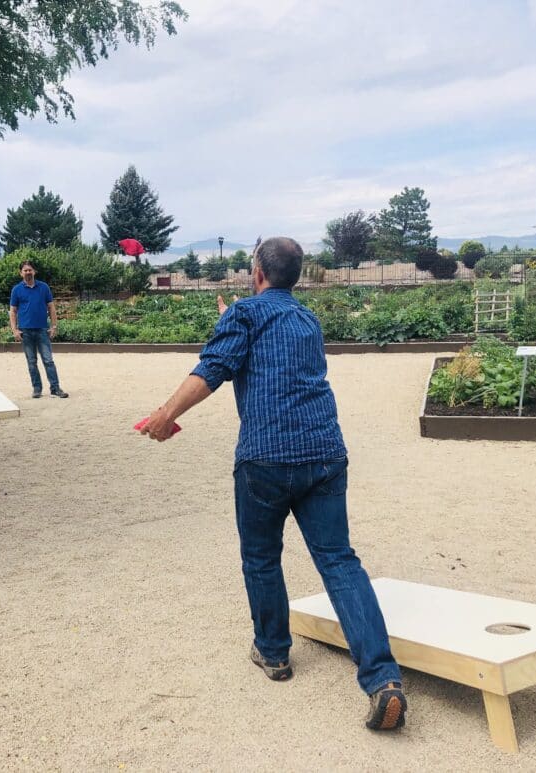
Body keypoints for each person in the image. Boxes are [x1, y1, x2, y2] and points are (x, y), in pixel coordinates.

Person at [140, 237, 407, 729]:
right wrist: (233, 316)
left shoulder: (243, 315)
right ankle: (382, 679)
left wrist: (164, 415)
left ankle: (274, 653)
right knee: (339, 562)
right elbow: (270, 347)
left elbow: (213, 369)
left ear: (257, 272)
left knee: (261, 557)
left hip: (265, 458)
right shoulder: (306, 319)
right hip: (325, 453)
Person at [9, 261, 68, 399]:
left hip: (42, 329)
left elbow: (51, 307)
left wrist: (54, 326)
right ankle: (37, 388)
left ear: (34, 271)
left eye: (30, 270)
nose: (28, 272)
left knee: (48, 360)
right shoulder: (16, 290)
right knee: (31, 362)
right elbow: (13, 311)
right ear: (21, 273)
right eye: (25, 270)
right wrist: (14, 330)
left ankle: (55, 388)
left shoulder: (44, 287)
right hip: (25, 331)